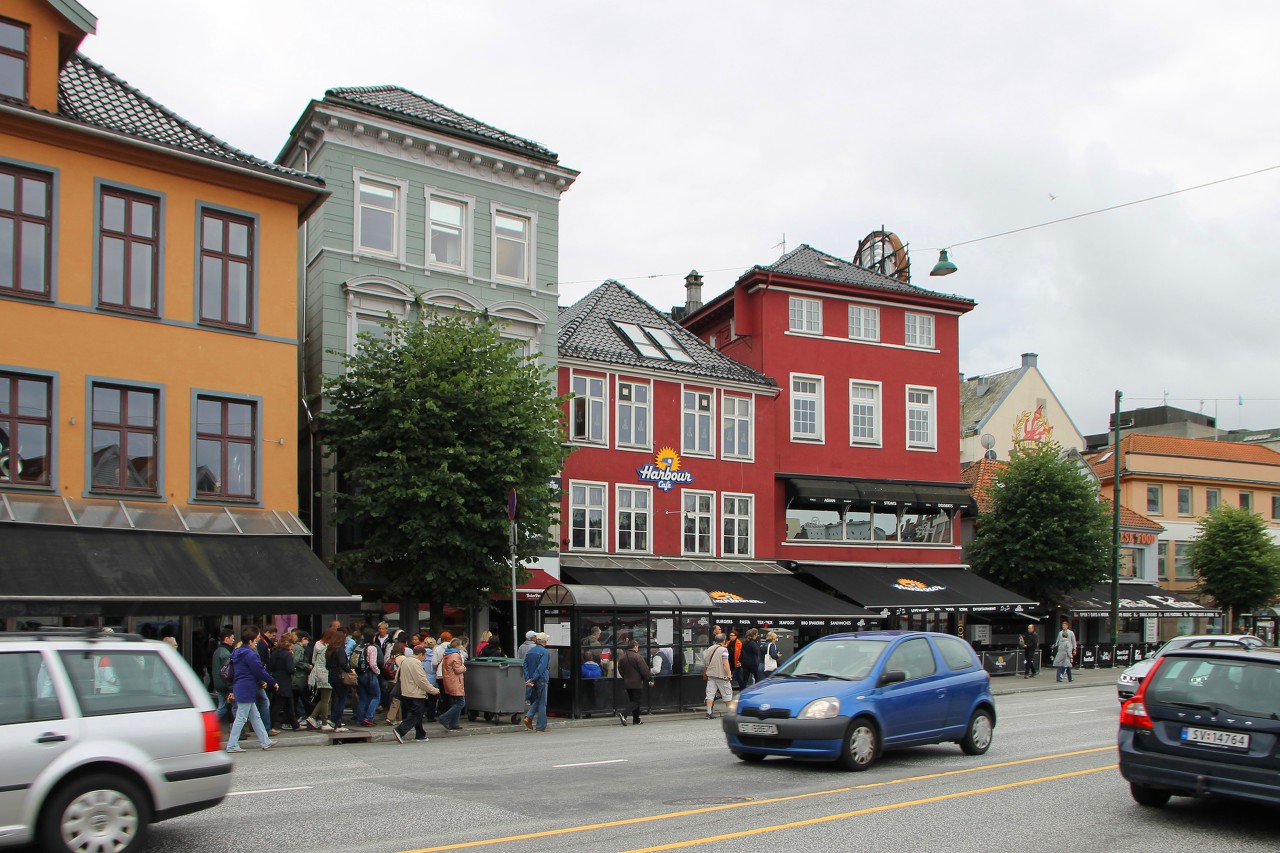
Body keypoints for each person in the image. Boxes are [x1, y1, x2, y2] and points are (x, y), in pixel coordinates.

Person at [226, 627, 277, 752]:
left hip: (241, 686)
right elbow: (259, 670)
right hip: (247, 688)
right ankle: (232, 745)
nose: (257, 643)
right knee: (241, 717)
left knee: (255, 716)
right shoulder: (250, 654)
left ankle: (265, 741)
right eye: (256, 640)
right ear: (250, 641)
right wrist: (272, 682)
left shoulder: (237, 652)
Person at [392, 645, 439, 744]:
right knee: (416, 714)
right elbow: (421, 680)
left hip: (406, 691)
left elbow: (397, 675)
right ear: (420, 654)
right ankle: (400, 731)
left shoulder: (405, 661)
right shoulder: (416, 663)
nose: (425, 658)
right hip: (415, 693)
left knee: (417, 713)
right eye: (424, 656)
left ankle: (420, 734)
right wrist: (433, 690)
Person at [617, 639, 653, 726]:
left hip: (627, 683)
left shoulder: (622, 658)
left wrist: (625, 677)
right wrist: (650, 679)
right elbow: (644, 670)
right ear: (635, 647)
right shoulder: (638, 657)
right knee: (636, 702)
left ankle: (636, 720)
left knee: (633, 701)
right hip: (637, 683)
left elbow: (620, 670)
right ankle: (623, 714)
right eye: (638, 647)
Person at [304, 628, 335, 730]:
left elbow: (313, 660)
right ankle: (324, 722)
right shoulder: (330, 647)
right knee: (326, 699)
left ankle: (313, 717)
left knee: (324, 698)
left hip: (317, 672)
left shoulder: (317, 644)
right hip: (327, 673)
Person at [268, 634, 298, 732]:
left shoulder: (275, 653)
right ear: (289, 644)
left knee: (288, 703)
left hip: (275, 679)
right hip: (285, 681)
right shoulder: (287, 654)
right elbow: (290, 669)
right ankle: (270, 725)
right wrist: (294, 668)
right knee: (279, 705)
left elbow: (270, 666)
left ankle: (295, 724)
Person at [437, 636, 469, 731]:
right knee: (461, 703)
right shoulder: (455, 655)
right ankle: (444, 717)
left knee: (455, 702)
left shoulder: (447, 654)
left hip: (449, 680)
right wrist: (464, 667)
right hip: (455, 681)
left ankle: (454, 723)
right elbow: (457, 669)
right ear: (458, 646)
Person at [522, 632, 551, 733]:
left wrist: (528, 679)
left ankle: (529, 717)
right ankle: (541, 726)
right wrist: (533, 678)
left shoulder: (530, 651)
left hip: (531, 680)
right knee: (542, 702)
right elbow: (541, 668)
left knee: (537, 700)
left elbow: (525, 665)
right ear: (544, 641)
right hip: (541, 679)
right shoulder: (545, 652)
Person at [325, 629, 352, 732]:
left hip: (331, 676)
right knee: (342, 699)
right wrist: (349, 670)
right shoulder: (340, 649)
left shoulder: (329, 649)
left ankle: (336, 722)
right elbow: (342, 662)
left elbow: (327, 666)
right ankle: (335, 721)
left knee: (337, 698)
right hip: (340, 676)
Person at [354, 628, 380, 727]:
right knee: (376, 696)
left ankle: (359, 720)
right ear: (373, 638)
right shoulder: (372, 648)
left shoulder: (358, 647)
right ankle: (369, 718)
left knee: (363, 698)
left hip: (360, 674)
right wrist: (378, 672)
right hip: (370, 675)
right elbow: (373, 664)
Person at [703, 633, 733, 719]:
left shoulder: (709, 649)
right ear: (724, 641)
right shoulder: (724, 650)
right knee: (727, 694)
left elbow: (706, 662)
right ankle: (730, 713)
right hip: (721, 676)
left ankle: (708, 712)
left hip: (711, 675)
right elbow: (725, 663)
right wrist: (729, 674)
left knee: (710, 694)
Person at [210, 627, 236, 723]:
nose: (233, 640)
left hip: (219, 684)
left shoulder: (217, 651)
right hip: (225, 685)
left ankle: (209, 723)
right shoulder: (226, 654)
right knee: (233, 707)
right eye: (232, 638)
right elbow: (228, 673)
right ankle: (236, 730)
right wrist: (231, 688)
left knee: (223, 707)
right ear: (226, 638)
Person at [291, 631, 312, 720]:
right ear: (303, 639)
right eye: (307, 640)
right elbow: (296, 661)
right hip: (299, 677)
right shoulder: (299, 648)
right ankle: (308, 716)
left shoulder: (295, 647)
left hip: (297, 677)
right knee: (303, 698)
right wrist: (307, 666)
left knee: (297, 698)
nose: (308, 643)